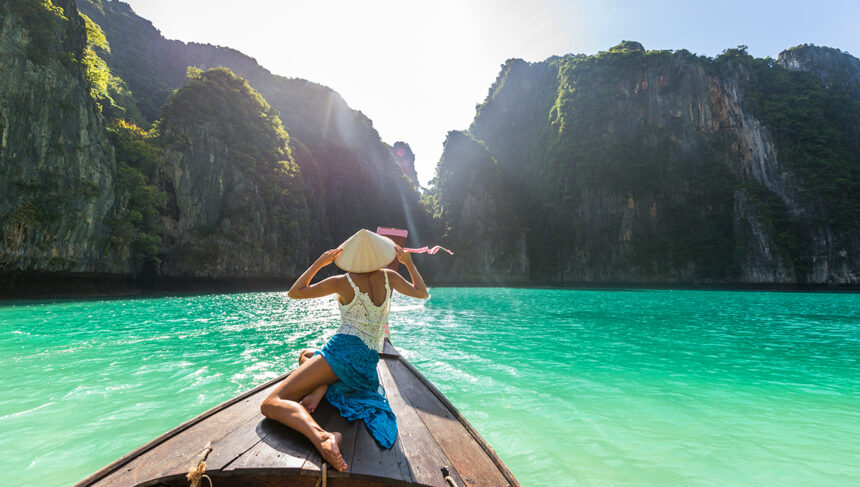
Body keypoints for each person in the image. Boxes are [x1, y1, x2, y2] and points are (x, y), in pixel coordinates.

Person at [260, 229, 429, 472]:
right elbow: (421, 292)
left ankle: (323, 438)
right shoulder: (389, 277)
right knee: (306, 355)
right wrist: (409, 265)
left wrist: (320, 262)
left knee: (271, 403)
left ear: (350, 257)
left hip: (343, 351)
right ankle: (322, 386)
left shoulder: (343, 281)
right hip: (367, 362)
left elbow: (295, 292)